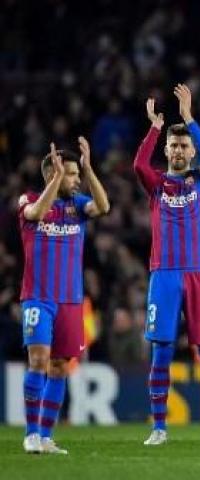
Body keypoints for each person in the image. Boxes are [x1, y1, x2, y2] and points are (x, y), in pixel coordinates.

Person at [133, 84, 200, 446]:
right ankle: (159, 427)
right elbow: (138, 165)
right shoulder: (157, 184)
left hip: (198, 273)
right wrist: (154, 128)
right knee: (161, 351)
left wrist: (189, 117)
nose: (179, 150)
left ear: (191, 151)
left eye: (184, 145)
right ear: (167, 150)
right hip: (164, 274)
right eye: (174, 146)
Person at [20, 139, 110, 454]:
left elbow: (103, 207)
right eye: (70, 174)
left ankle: (45, 437)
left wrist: (88, 169)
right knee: (39, 360)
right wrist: (57, 180)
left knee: (59, 367)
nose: (75, 180)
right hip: (38, 298)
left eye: (75, 174)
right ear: (52, 175)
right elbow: (37, 212)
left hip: (71, 300)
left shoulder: (78, 205)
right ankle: (30, 434)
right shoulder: (28, 199)